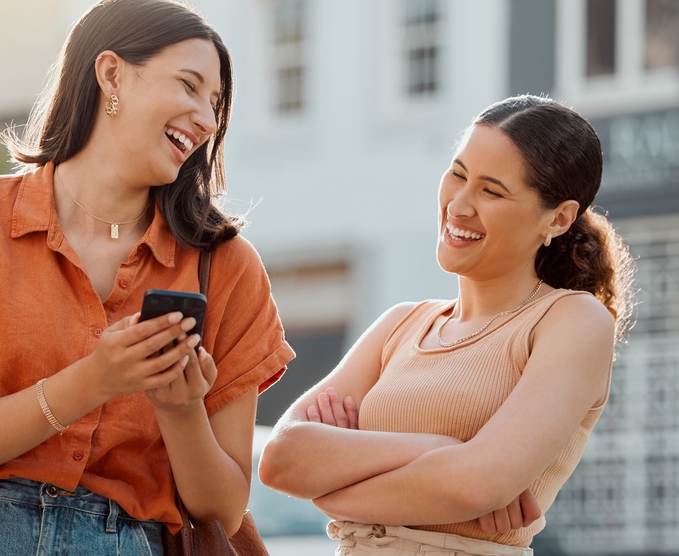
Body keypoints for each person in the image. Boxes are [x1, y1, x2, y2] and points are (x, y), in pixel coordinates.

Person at [0, 0, 294, 555]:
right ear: (112, 75)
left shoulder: (227, 268)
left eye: (216, 102)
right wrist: (97, 379)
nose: (206, 118)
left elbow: (223, 508)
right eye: (188, 85)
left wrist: (180, 411)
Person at [259, 95, 636, 555]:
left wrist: (332, 488)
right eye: (458, 174)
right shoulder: (401, 323)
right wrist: (443, 448)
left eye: (491, 191)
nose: (458, 205)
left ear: (557, 219)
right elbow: (280, 460)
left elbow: (476, 485)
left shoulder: (571, 320)